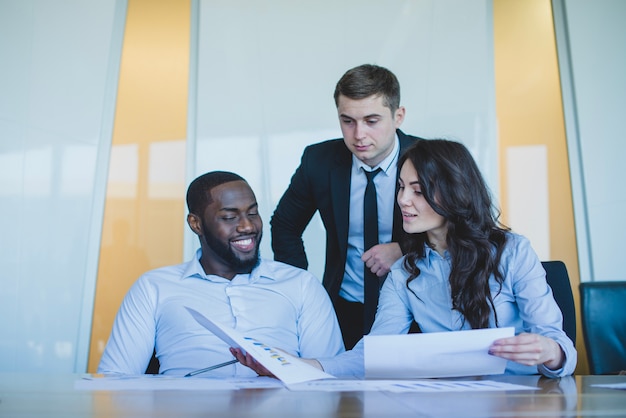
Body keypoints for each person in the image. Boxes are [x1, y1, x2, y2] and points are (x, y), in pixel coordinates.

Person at [235, 139, 577, 378]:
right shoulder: (405, 272)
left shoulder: (513, 251)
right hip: (446, 401)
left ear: (455, 191)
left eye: (418, 190)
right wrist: (296, 365)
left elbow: (560, 347)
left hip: (522, 401)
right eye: (401, 187)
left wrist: (550, 351)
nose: (403, 201)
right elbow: (374, 352)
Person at [98, 171, 344, 376]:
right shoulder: (154, 287)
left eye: (252, 213)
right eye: (229, 217)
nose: (247, 226)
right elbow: (114, 380)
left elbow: (333, 375)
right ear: (196, 224)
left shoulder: (300, 284)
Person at [271, 64, 424, 349]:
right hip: (344, 307)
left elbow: (466, 230)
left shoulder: (430, 160)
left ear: (398, 116)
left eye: (371, 120)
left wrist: (405, 249)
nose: (358, 135)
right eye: (348, 121)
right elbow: (284, 225)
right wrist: (300, 288)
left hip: (417, 305)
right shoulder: (319, 160)